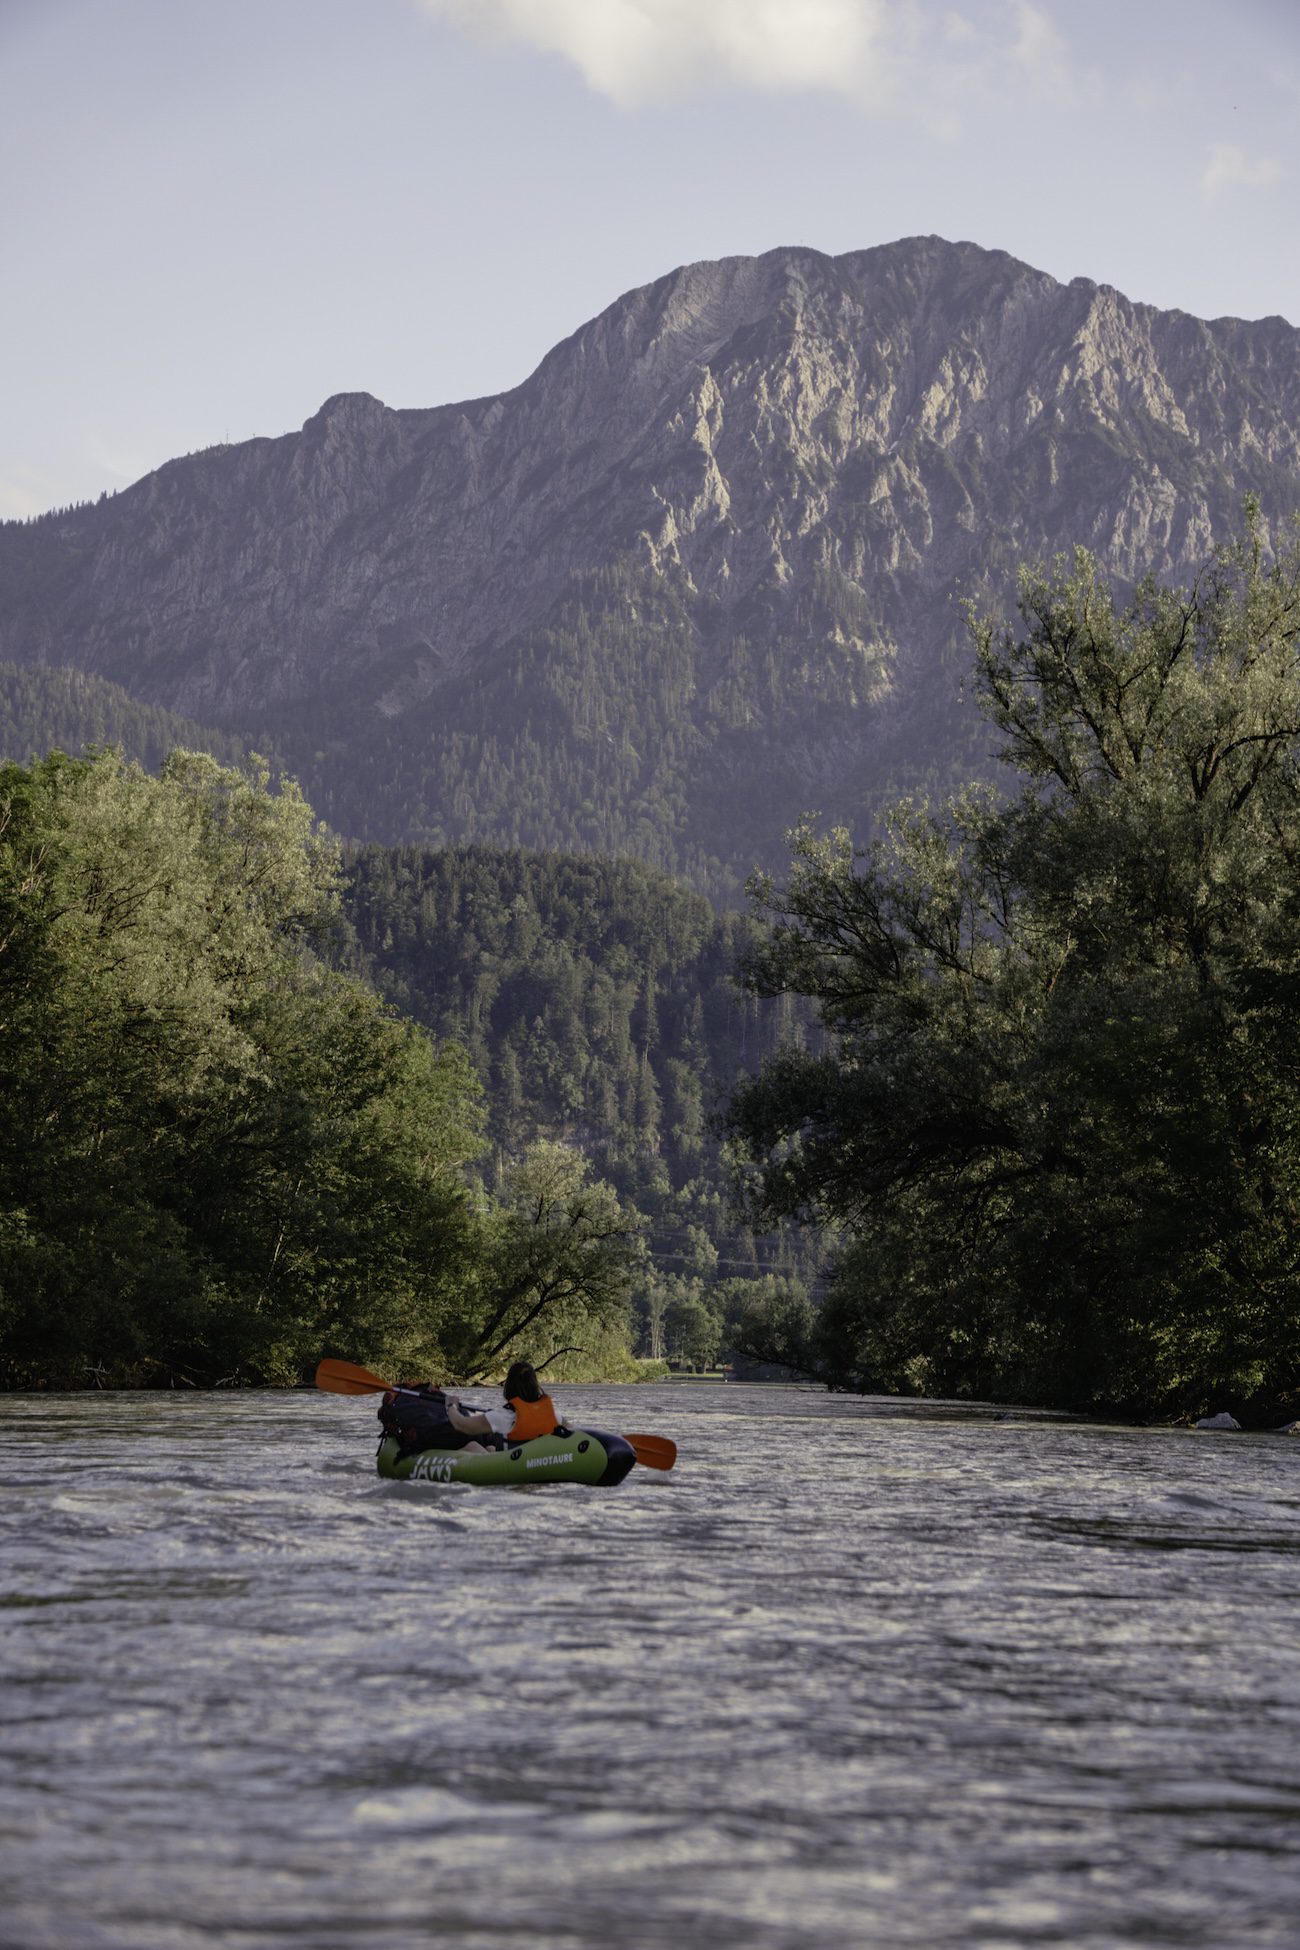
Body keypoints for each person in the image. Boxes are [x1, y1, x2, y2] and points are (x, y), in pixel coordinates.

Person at [442, 1360, 561, 1446]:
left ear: (509, 1387)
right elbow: (574, 1431)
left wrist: (451, 1405)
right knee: (490, 1448)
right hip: (541, 1464)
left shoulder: (502, 1416)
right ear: (535, 1385)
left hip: (514, 1468)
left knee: (473, 1446)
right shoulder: (554, 1416)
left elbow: (462, 1425)